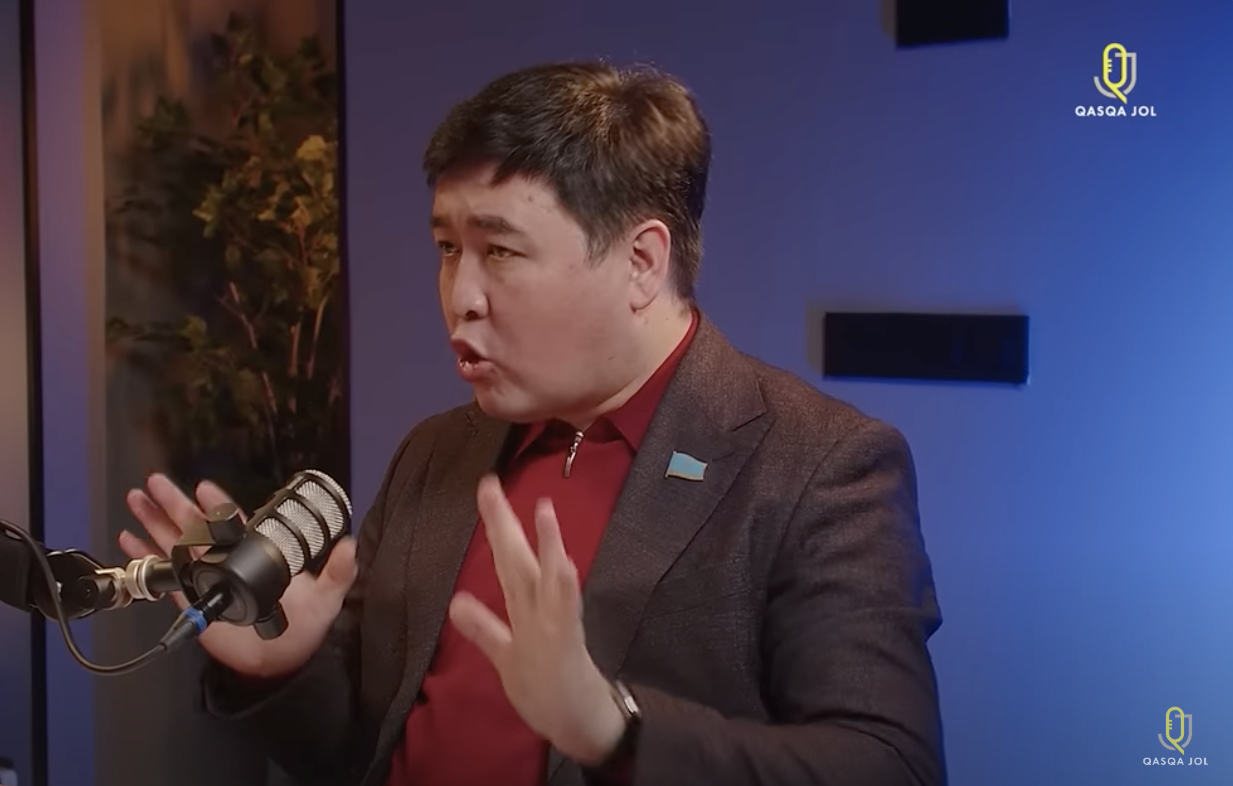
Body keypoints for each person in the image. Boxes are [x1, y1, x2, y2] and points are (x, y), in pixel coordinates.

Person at [119, 60, 946, 786]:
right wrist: (283, 668)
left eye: (501, 252)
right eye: (448, 248)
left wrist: (616, 730)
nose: (461, 297)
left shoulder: (818, 467)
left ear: (641, 262)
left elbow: (890, 766)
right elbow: (361, 752)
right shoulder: (437, 452)